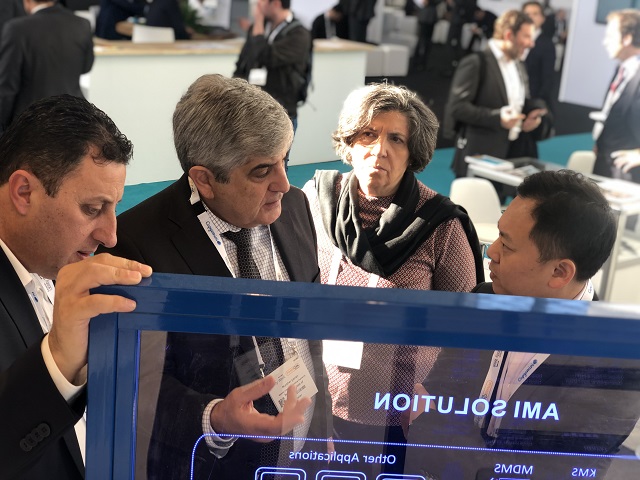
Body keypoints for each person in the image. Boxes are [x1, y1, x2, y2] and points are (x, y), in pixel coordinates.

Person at [100, 74, 331, 479]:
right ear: (204, 179)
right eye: (262, 170)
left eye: (285, 159)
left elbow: (309, 334)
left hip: (302, 451)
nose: (284, 183)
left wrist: (322, 427)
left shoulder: (296, 207)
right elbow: (133, 381)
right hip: (211, 465)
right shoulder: (134, 244)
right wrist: (215, 418)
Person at [405, 170, 640, 479]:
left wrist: (437, 432)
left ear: (559, 272)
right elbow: (439, 396)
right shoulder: (484, 301)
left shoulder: (617, 364)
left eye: (507, 245)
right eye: (499, 234)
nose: (492, 251)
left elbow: (547, 472)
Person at [302, 82, 483, 476]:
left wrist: (435, 394)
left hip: (397, 412)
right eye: (368, 133)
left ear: (413, 153)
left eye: (396, 139)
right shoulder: (315, 199)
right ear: (350, 141)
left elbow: (467, 328)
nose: (379, 149)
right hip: (316, 398)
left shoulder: (440, 225)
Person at [0, 94, 152, 479]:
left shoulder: (59, 264)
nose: (111, 235)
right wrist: (58, 359)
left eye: (114, 207)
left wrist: (214, 417)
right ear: (23, 192)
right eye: (92, 209)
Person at [443, 9, 548, 179]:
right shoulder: (476, 62)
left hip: (511, 157)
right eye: (526, 37)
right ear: (509, 35)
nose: (531, 44)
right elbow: (457, 108)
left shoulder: (519, 65)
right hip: (479, 158)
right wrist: (497, 118)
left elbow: (519, 102)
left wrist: (530, 116)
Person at [0, 0, 94, 133]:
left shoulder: (17, 28)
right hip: (73, 117)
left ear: (27, 1)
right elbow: (86, 67)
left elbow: (8, 87)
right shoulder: (82, 24)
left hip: (29, 122)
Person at [233, 0, 311, 139]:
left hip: (281, 112)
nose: (257, 5)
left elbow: (265, 56)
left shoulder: (299, 34)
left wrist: (257, 22)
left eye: (261, 2)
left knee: (276, 153)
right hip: (250, 110)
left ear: (275, 3)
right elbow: (243, 61)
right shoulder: (259, 28)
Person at [592, 9, 640, 183]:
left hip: (629, 174)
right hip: (606, 165)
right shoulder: (621, 70)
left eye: (610, 36)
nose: (605, 42)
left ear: (627, 38)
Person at [522, 2, 556, 114]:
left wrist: (537, 104)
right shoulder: (513, 40)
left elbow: (547, 78)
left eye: (535, 14)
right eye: (527, 14)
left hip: (531, 98)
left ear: (542, 18)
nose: (530, 17)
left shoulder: (547, 45)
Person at [412, 0, 441, 72]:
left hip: (429, 16)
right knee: (421, 40)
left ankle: (423, 62)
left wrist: (429, 2)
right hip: (424, 15)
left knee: (427, 41)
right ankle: (416, 61)